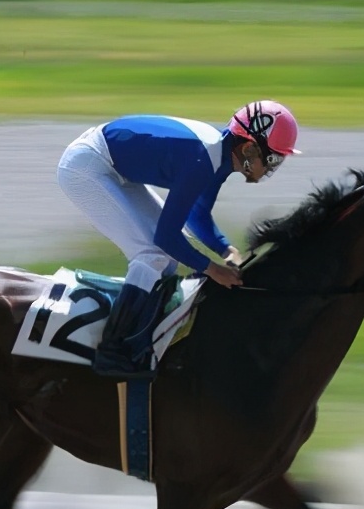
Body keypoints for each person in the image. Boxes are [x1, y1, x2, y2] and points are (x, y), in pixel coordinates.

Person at [57, 100, 301, 378]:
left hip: (113, 166)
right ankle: (111, 352)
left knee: (167, 258)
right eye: (272, 159)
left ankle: (142, 339)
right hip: (86, 167)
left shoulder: (220, 157)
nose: (273, 168)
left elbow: (196, 216)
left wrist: (225, 249)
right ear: (248, 148)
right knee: (152, 255)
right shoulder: (202, 159)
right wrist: (214, 270)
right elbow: (166, 236)